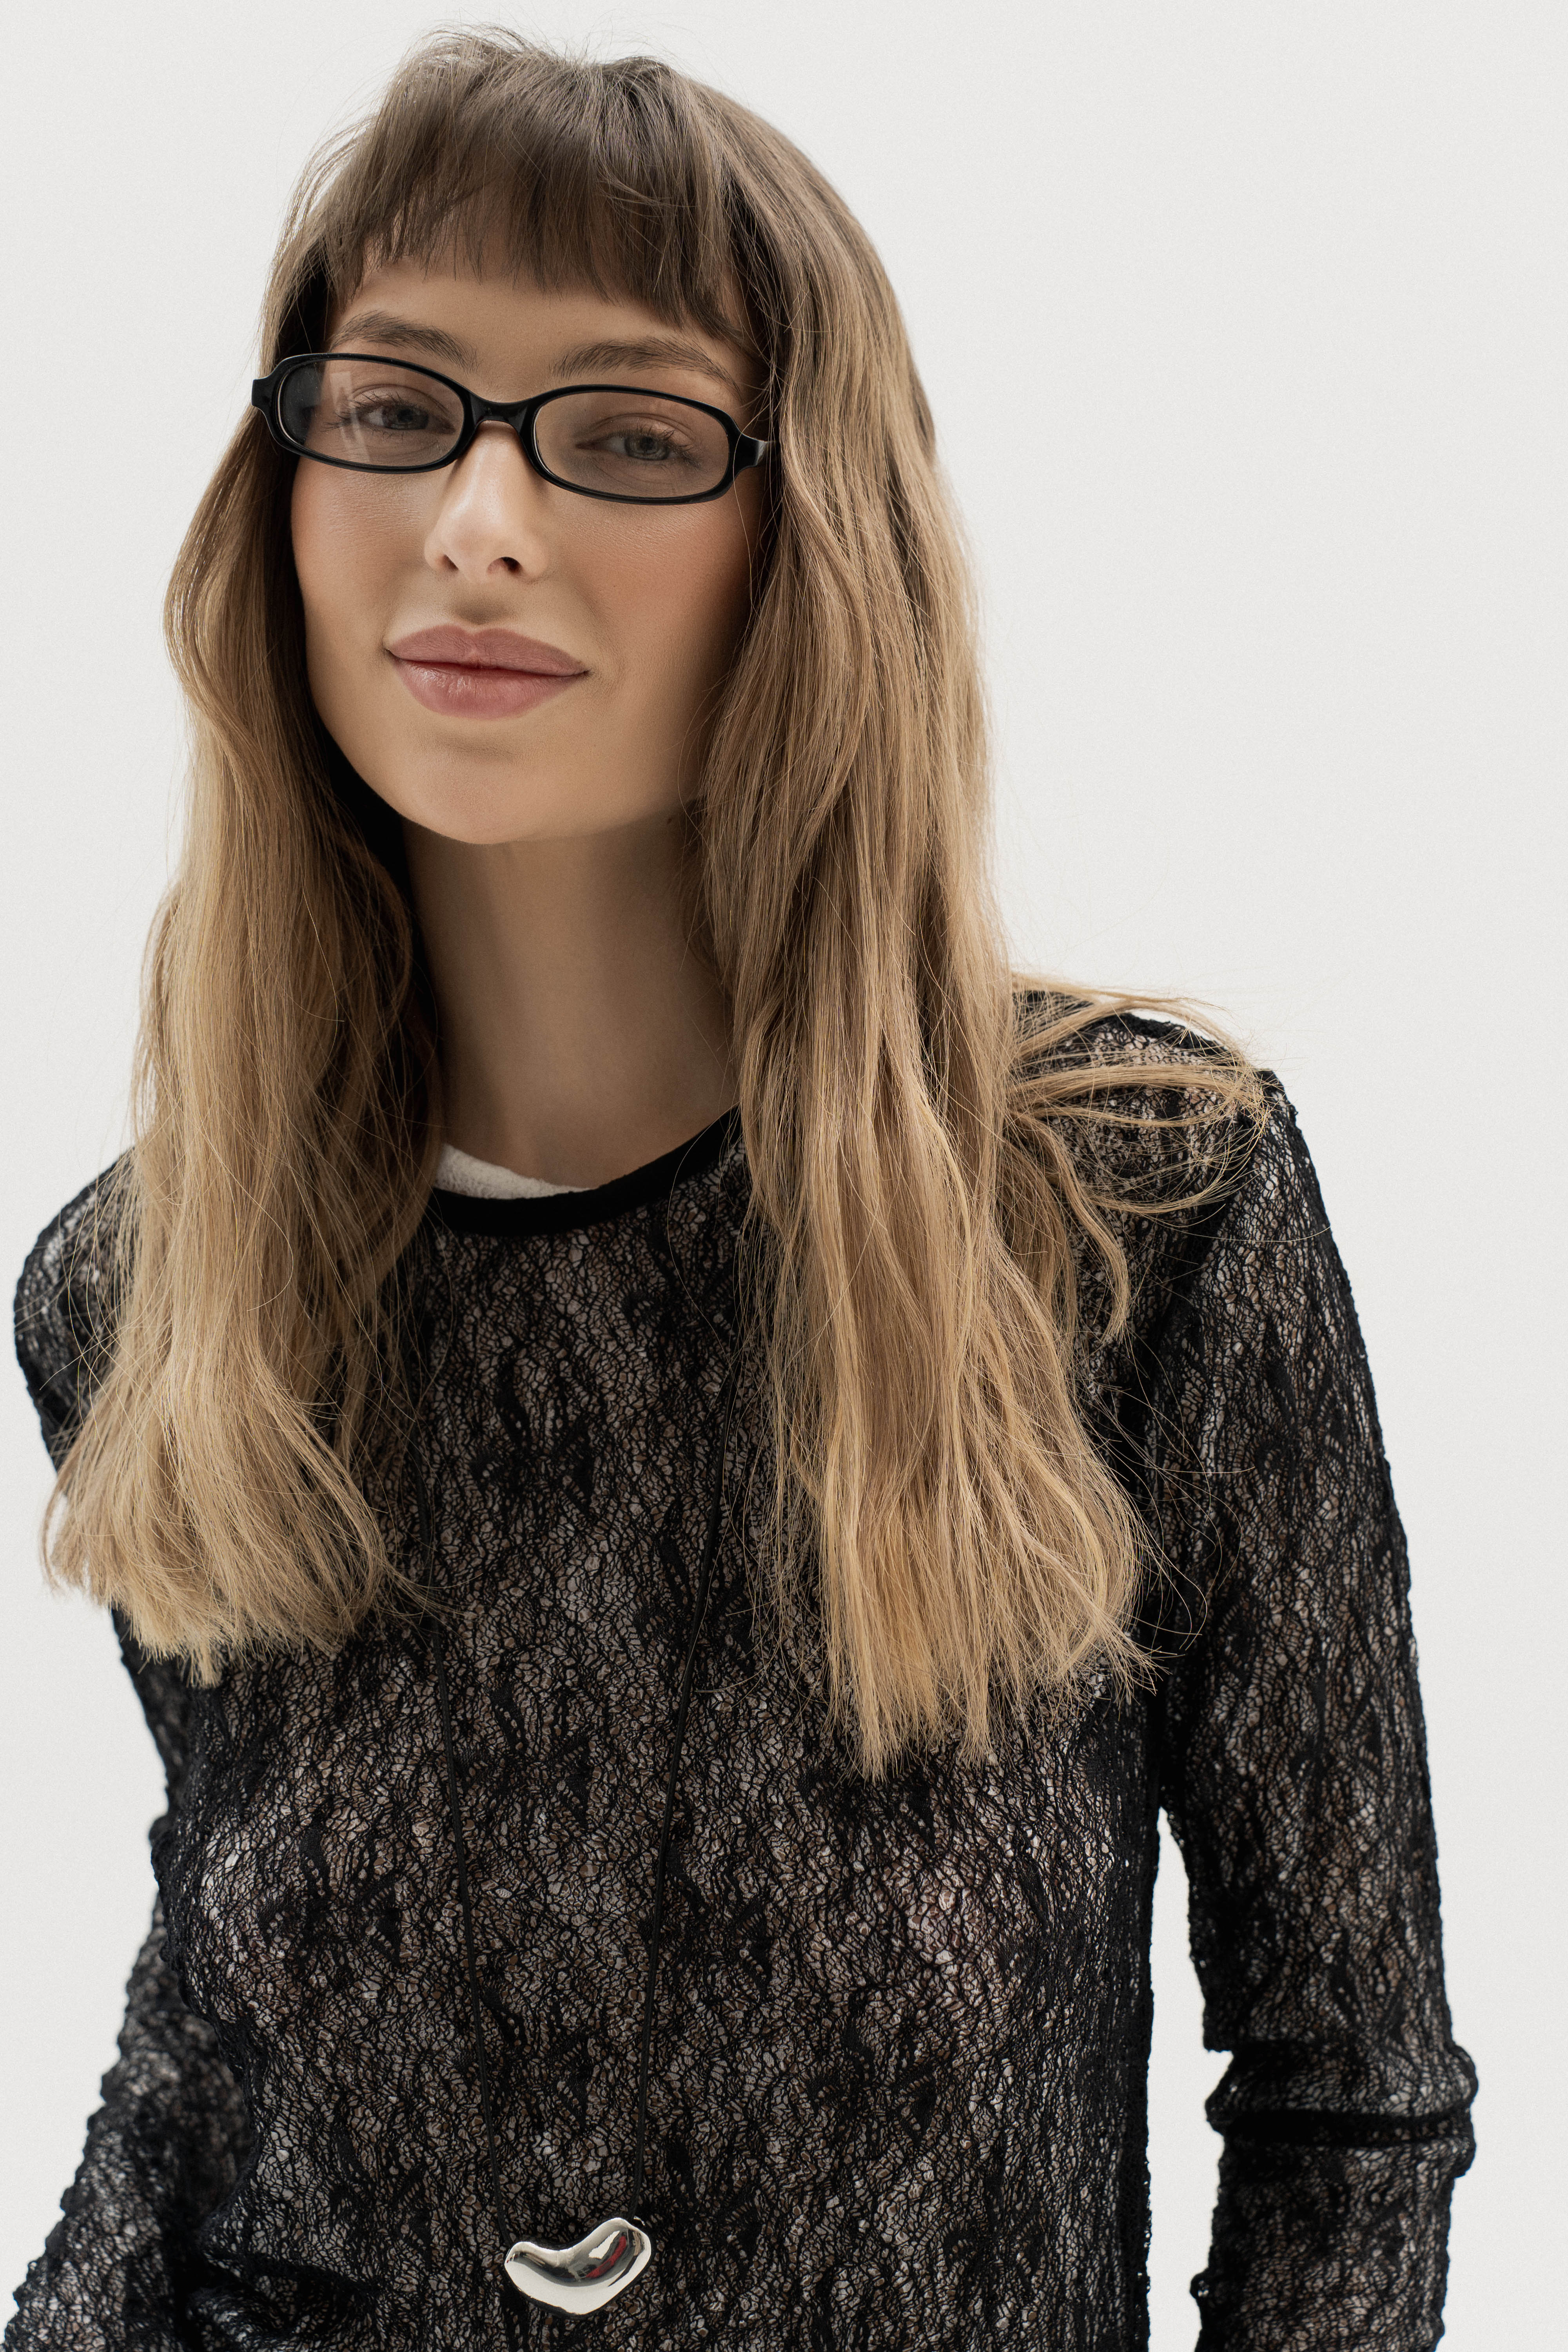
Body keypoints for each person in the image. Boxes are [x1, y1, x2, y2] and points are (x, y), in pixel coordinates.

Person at [7, 30, 1475, 2352]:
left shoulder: (1132, 1208)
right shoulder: (150, 1287)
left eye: (623, 434)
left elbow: (1348, 2111)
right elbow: (209, 2072)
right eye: (393, 408)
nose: (476, 519)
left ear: (818, 535)